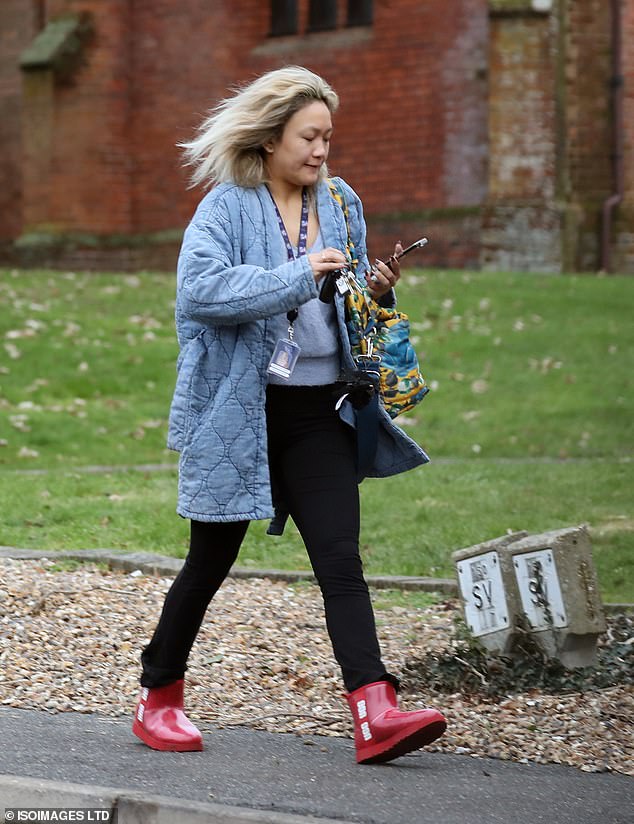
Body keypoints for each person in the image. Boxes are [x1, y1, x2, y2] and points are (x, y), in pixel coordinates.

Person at [132, 66, 447, 765]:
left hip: (317, 410)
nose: (320, 151)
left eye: (328, 137)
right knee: (209, 561)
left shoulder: (339, 200)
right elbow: (202, 292)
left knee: (340, 557)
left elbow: (347, 301)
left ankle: (375, 709)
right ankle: (159, 698)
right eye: (309, 136)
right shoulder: (225, 207)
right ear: (270, 136)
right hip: (237, 410)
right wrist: (297, 274)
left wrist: (373, 290)